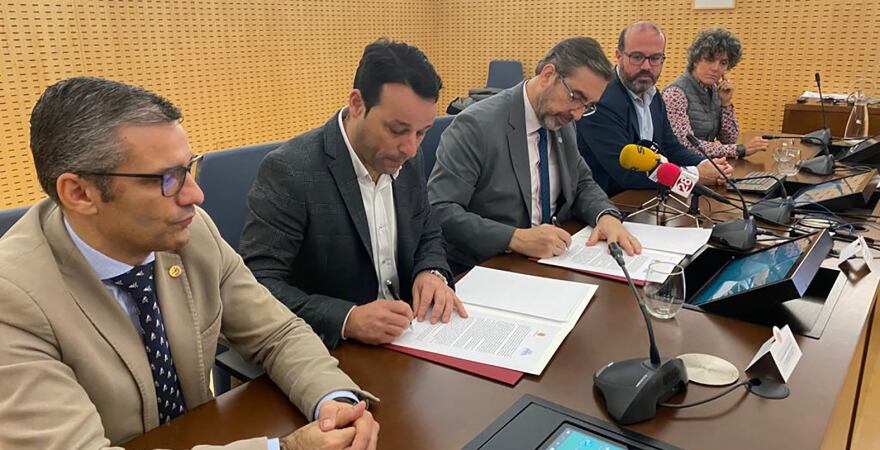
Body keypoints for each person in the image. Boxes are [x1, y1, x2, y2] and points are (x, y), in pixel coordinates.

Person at [0, 77, 379, 450]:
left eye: (189, 168)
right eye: (167, 178)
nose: (195, 195)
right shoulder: (13, 300)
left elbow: (276, 333)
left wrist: (335, 402)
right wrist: (284, 449)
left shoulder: (188, 232)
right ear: (80, 193)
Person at [240, 39, 465, 349]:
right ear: (357, 104)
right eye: (397, 129)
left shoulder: (407, 157)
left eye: (422, 132)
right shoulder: (290, 170)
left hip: (411, 336)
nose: (411, 148)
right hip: (332, 349)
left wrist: (432, 271)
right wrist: (347, 318)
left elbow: (427, 230)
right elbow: (257, 283)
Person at [427, 37, 642, 275]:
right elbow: (441, 209)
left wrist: (606, 215)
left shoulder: (563, 119)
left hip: (552, 258)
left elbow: (581, 182)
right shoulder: (477, 126)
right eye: (577, 97)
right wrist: (515, 238)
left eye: (588, 105)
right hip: (489, 265)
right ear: (548, 75)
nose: (579, 114)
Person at [576, 21, 734, 198]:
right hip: (611, 203)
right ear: (618, 55)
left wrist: (708, 164)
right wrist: (695, 176)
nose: (646, 66)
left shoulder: (653, 95)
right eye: (637, 57)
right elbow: (626, 174)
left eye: (655, 58)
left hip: (649, 198)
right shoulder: (600, 97)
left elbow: (671, 147)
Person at [662, 27, 768, 159]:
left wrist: (726, 104)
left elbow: (730, 139)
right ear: (695, 60)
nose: (716, 68)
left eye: (723, 63)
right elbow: (686, 145)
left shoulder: (714, 90)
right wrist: (739, 150)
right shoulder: (675, 94)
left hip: (707, 164)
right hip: (682, 169)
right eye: (709, 59)